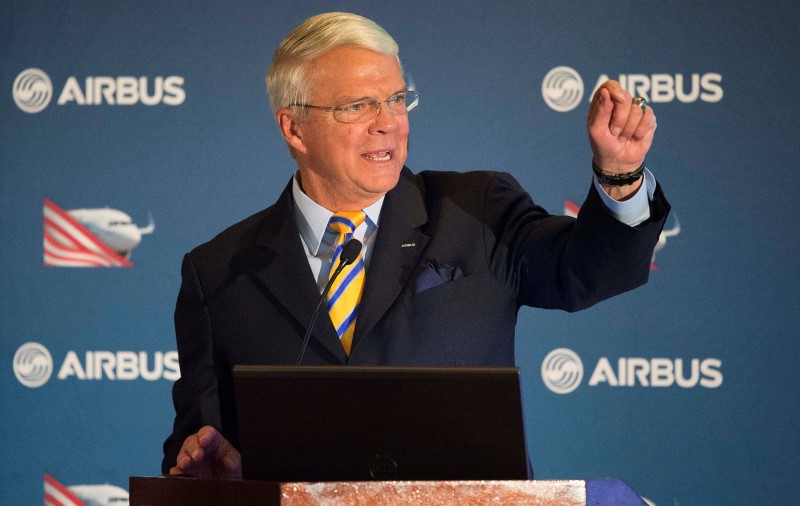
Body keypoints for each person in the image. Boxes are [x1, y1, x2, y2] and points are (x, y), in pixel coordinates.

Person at [162, 12, 669, 479]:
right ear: (294, 128)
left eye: (397, 99)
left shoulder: (477, 211)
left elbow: (587, 271)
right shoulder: (219, 273)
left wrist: (619, 178)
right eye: (357, 106)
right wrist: (208, 476)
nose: (388, 121)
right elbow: (198, 449)